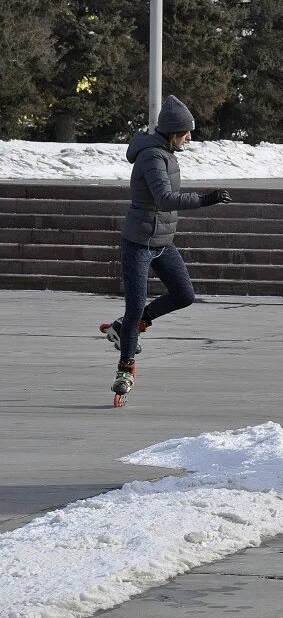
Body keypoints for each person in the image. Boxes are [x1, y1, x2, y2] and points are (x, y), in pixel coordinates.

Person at [100, 96, 232, 406]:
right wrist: (204, 200)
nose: (190, 137)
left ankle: (126, 328)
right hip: (139, 245)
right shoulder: (151, 157)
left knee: (184, 294)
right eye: (186, 132)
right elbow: (164, 198)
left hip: (161, 243)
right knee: (134, 307)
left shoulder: (166, 152)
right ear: (172, 131)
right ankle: (125, 370)